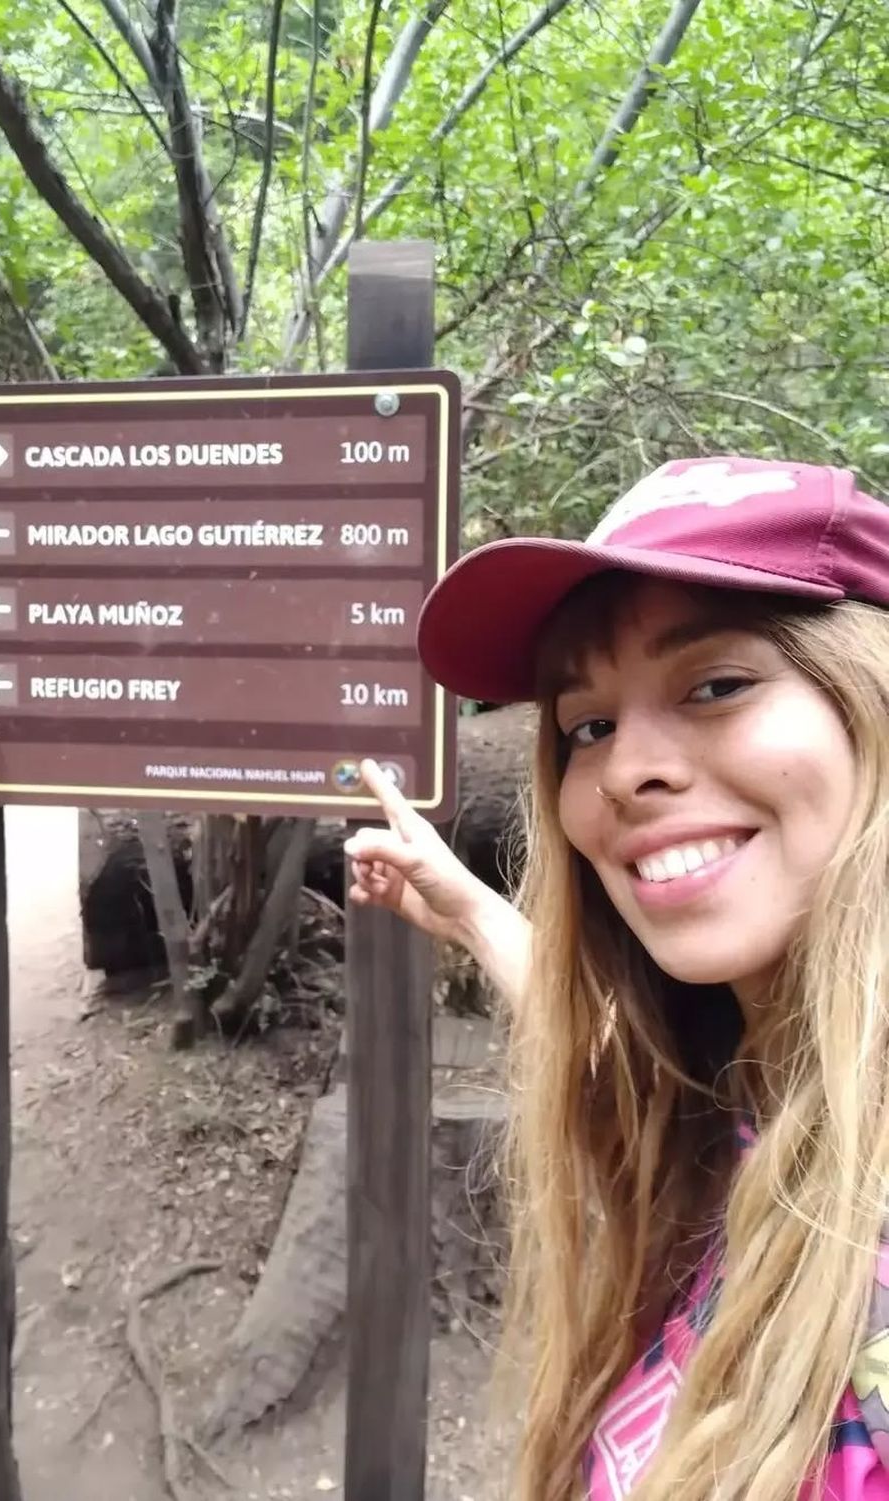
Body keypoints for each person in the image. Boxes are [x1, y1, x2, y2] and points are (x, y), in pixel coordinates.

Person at [347, 455, 889, 1500]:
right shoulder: (761, 1092)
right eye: (587, 724)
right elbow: (635, 1071)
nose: (629, 768)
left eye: (717, 685)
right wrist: (469, 911)